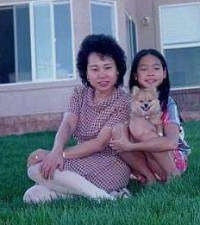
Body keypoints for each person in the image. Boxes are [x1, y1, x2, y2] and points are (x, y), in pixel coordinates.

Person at [23, 34, 131, 203]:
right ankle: (97, 193)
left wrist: (57, 155)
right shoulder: (79, 94)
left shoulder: (123, 101)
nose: (102, 74)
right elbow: (67, 124)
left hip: (111, 163)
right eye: (95, 69)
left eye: (107, 67)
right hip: (81, 156)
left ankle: (102, 198)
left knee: (35, 171)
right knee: (32, 196)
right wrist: (55, 151)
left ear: (117, 70)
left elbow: (100, 143)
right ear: (86, 73)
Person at [110, 49, 191, 184]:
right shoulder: (129, 101)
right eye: (144, 69)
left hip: (171, 160)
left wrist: (129, 146)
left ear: (164, 73)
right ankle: (150, 179)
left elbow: (171, 143)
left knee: (138, 125)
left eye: (156, 68)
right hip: (148, 161)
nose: (150, 73)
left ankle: (174, 176)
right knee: (118, 129)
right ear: (135, 75)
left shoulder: (168, 103)